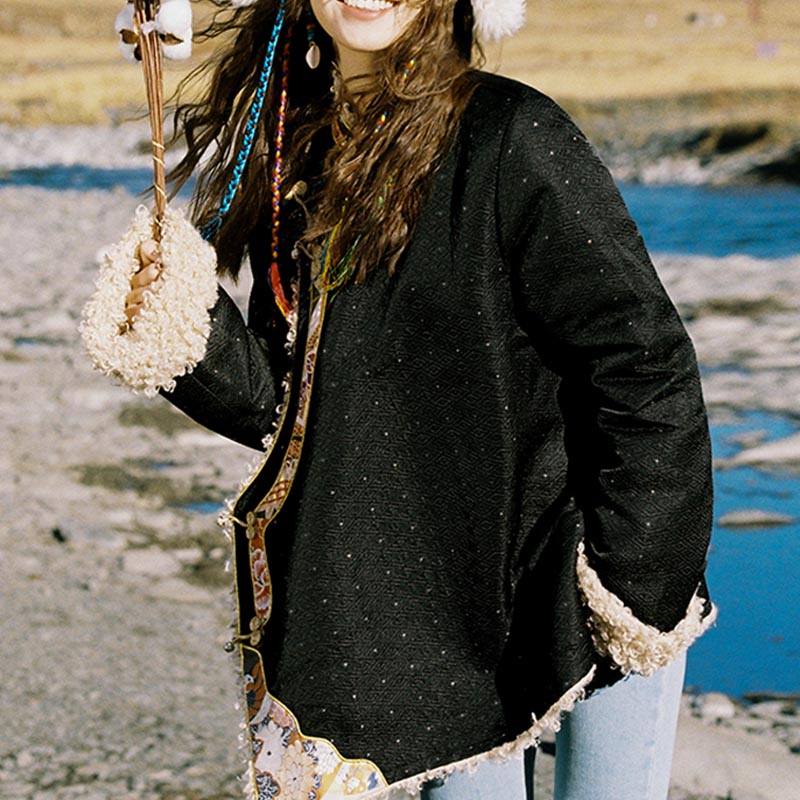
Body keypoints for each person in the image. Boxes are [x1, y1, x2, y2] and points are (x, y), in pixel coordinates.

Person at [82, 0, 716, 797]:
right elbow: (311, 417)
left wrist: (632, 583)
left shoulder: (511, 135)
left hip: (582, 579)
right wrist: (183, 322)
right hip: (434, 614)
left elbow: (644, 363)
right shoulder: (299, 159)